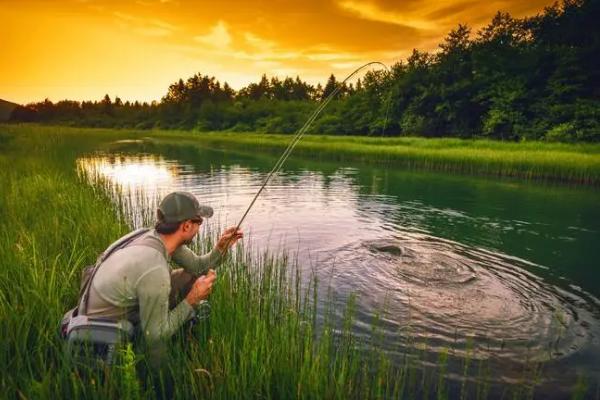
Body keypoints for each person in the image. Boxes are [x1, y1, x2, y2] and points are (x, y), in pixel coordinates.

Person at [83, 191, 242, 360]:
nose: (199, 227)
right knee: (158, 343)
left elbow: (197, 267)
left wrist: (221, 248)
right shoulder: (154, 269)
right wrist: (192, 299)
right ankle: (158, 380)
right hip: (105, 330)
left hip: (116, 305)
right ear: (186, 226)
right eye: (199, 222)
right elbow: (154, 335)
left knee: (191, 277)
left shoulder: (155, 236)